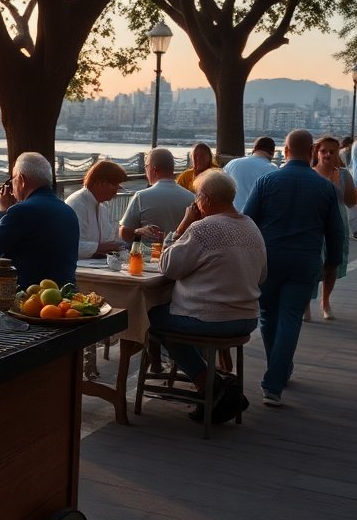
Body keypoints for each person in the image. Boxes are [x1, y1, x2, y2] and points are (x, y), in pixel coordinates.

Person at [149, 170, 265, 416]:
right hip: (247, 318)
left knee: (148, 317)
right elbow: (262, 275)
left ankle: (209, 385)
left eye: (197, 198)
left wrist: (183, 225)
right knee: (173, 320)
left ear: (206, 199)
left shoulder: (203, 228)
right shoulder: (250, 225)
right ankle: (213, 384)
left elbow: (169, 267)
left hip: (212, 319)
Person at [243, 129, 343, 407]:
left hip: (269, 259)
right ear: (311, 150)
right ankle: (275, 380)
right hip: (305, 260)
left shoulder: (266, 181)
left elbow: (248, 221)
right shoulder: (325, 187)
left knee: (268, 317)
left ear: (284, 152)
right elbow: (336, 232)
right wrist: (332, 263)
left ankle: (278, 369)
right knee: (290, 318)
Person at [0, 151, 80, 289]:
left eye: (12, 180)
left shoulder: (21, 211)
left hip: (30, 301)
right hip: (63, 298)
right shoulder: (68, 211)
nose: (11, 186)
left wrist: (3, 212)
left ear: (22, 180)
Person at [306, 135, 356, 321]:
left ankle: (325, 301)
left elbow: (351, 202)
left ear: (338, 153)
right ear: (316, 153)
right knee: (313, 263)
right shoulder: (310, 173)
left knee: (332, 263)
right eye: (323, 151)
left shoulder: (343, 174)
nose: (327, 154)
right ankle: (306, 305)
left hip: (337, 223)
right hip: (315, 223)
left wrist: (341, 185)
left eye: (332, 151)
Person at [119, 148, 194, 243]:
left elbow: (124, 233)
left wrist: (137, 231)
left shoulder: (141, 197)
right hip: (180, 255)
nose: (146, 171)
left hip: (150, 255)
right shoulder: (191, 197)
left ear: (154, 169)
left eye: (146, 166)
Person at [65, 160, 128, 259]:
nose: (116, 191)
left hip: (95, 265)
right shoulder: (77, 204)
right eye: (115, 185)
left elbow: (107, 239)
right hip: (78, 267)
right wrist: (107, 247)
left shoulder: (103, 205)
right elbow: (70, 245)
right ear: (100, 183)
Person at [223, 136, 277, 212]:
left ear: (254, 149)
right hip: (255, 218)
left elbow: (221, 189)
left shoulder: (232, 163)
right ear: (272, 152)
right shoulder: (272, 169)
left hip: (231, 214)